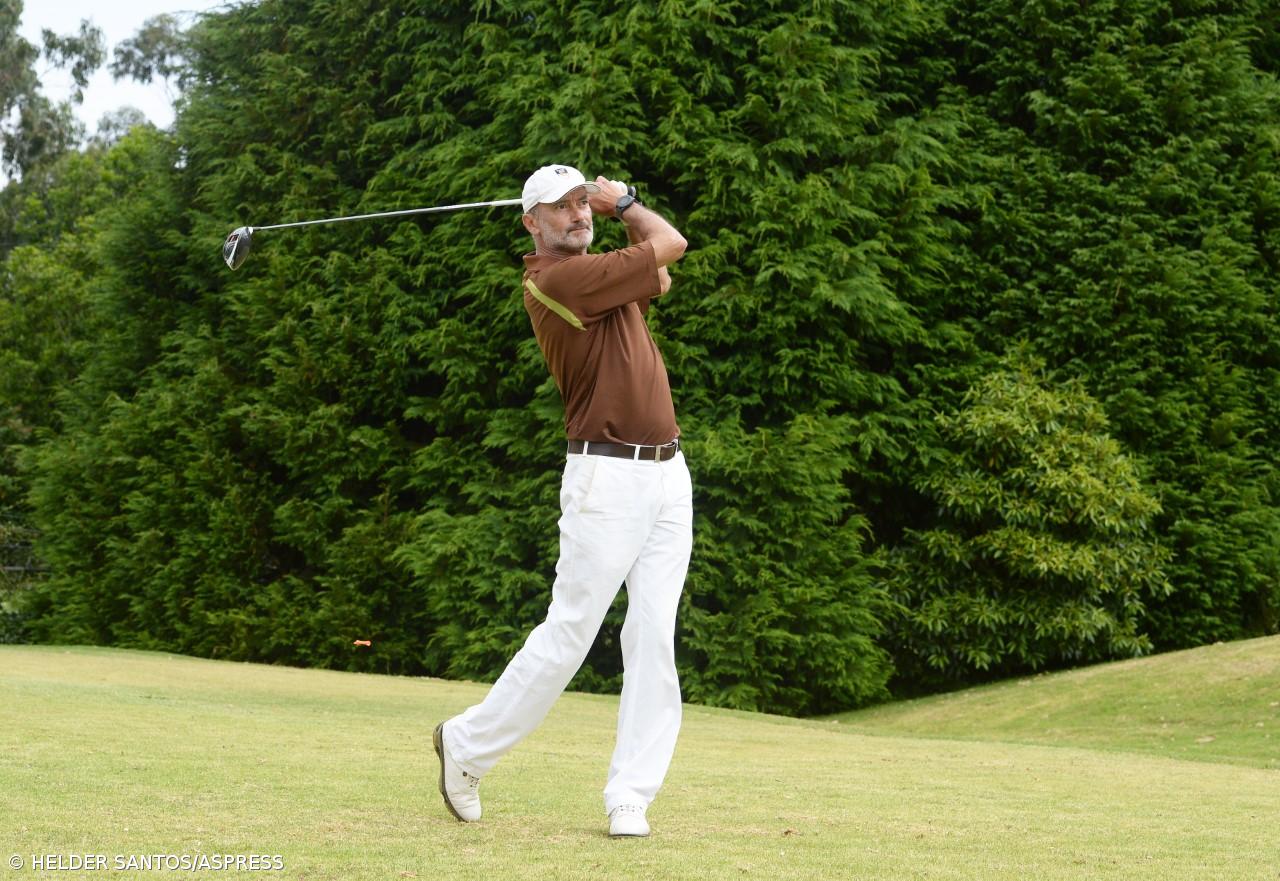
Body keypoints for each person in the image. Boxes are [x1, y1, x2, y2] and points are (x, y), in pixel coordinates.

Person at [433, 164, 693, 839]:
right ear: (532, 222)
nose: (578, 214)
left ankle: (629, 794)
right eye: (561, 207)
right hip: (605, 479)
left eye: (583, 202)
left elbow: (658, 274)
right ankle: (465, 744)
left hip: (668, 472)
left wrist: (616, 219)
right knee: (570, 631)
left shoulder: (601, 270)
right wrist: (625, 203)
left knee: (654, 636)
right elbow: (671, 245)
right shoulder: (555, 280)